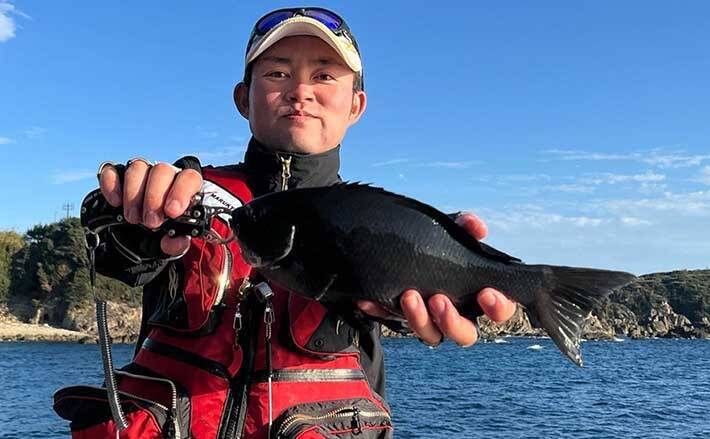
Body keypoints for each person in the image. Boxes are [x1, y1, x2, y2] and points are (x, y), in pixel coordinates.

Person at [56, 7, 516, 438]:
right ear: (243, 98)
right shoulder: (189, 197)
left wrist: (455, 285)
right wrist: (130, 210)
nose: (301, 91)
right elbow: (117, 254)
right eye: (277, 73)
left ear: (356, 106)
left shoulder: (378, 221)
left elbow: (403, 299)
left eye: (324, 75)